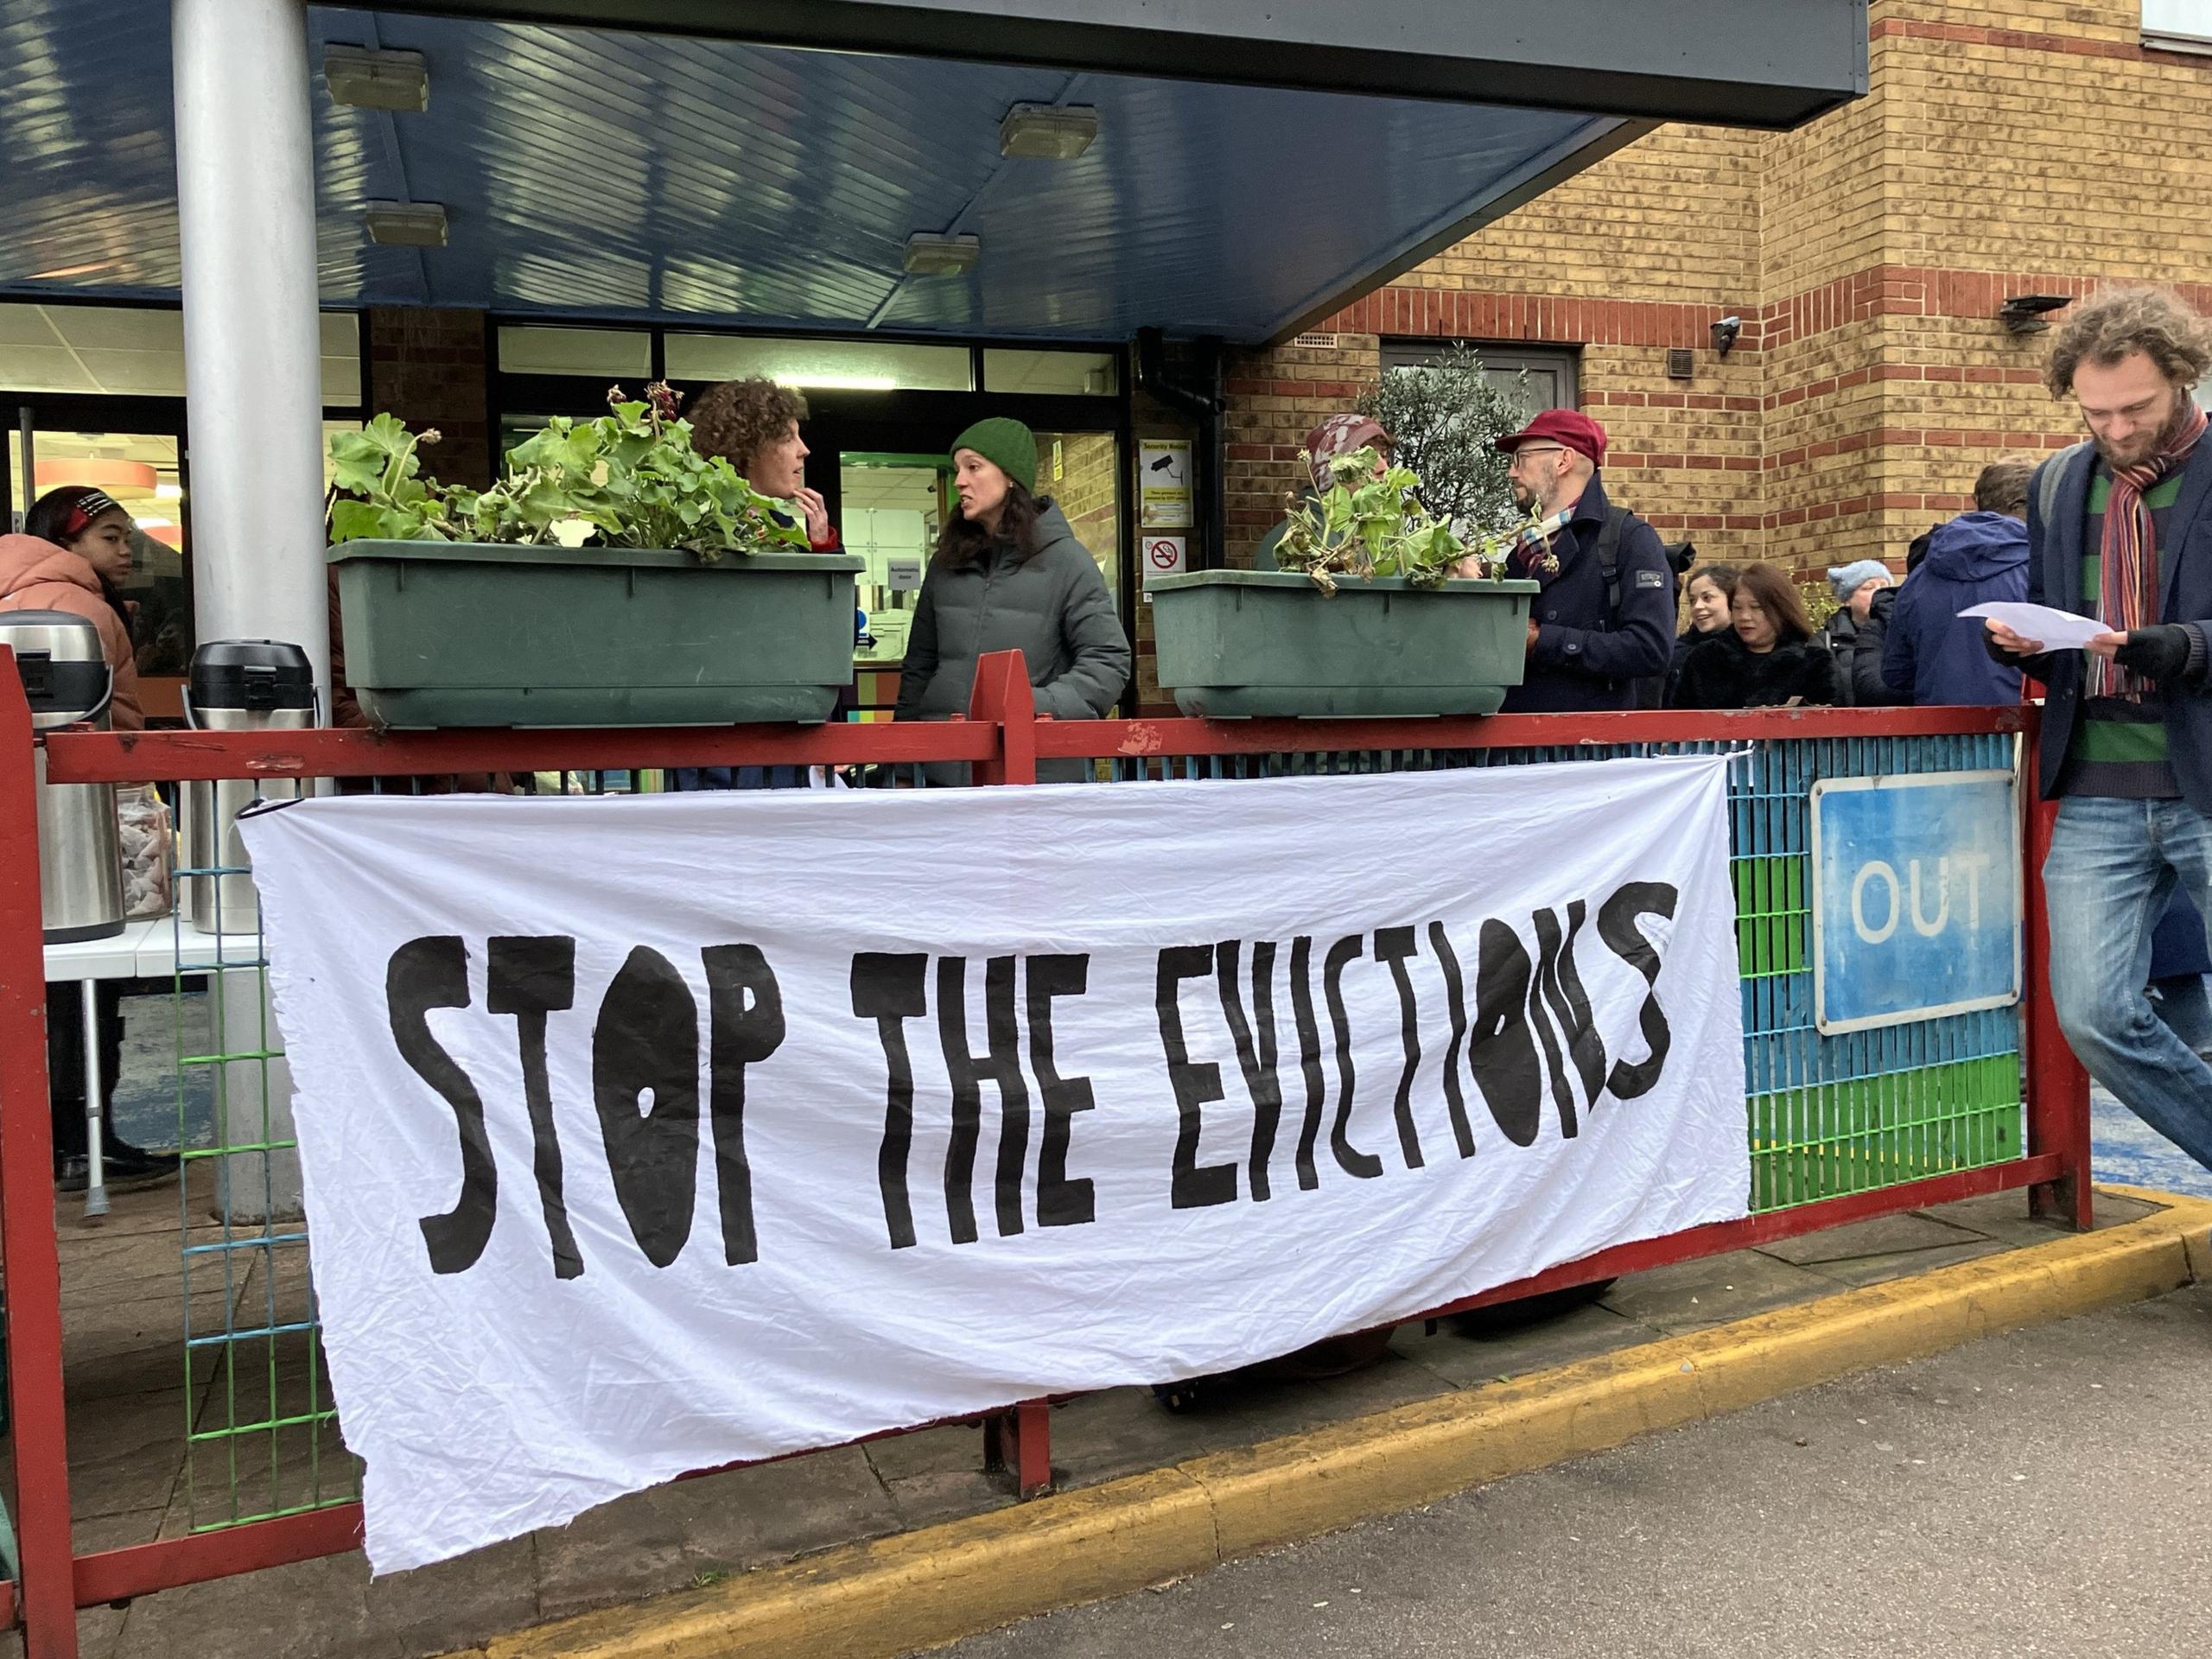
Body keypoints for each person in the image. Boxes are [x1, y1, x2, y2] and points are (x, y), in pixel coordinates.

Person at [1983, 285, 2212, 1173]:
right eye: (2095, 412)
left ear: (2184, 378)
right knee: (2089, 1015)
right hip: (2096, 787)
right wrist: (2029, 645)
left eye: (2136, 409)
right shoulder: (2054, 484)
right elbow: (2063, 629)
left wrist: (2178, 647)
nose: (2115, 430)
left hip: (2202, 778)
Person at [0, 486, 174, 1192]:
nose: (127, 549)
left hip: (30, 812)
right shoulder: (74, 603)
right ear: (66, 542)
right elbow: (88, 723)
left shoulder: (20, 590)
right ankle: (80, 1139)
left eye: (129, 534)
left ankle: (51, 1137)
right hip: (76, 811)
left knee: (45, 975)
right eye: (109, 535)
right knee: (89, 976)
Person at [894, 418, 1130, 784]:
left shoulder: (1067, 562)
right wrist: (904, 764)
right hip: (942, 776)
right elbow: (919, 668)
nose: (959, 481)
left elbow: (1109, 661)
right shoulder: (946, 564)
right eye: (957, 469)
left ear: (1010, 478)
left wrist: (1035, 705)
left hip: (1035, 775)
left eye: (973, 467)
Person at [681, 378, 845, 790]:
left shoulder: (786, 529)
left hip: (781, 741)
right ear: (751, 447)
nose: (803, 449)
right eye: (788, 437)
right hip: (721, 746)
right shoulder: (695, 530)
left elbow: (826, 642)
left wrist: (822, 549)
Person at [1489, 410, 1674, 713]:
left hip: (1591, 752)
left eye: (1521, 459)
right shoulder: (1521, 552)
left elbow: (1651, 649)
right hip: (1516, 748)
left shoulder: (1630, 540)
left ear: (1563, 460)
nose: (1512, 472)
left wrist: (1542, 641)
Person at [1881, 457, 2032, 706]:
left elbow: (1896, 674)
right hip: (2020, 729)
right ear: (2024, 504)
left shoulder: (1919, 577)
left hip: (1941, 733)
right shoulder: (2040, 570)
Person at [1674, 561, 1840, 709]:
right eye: (1737, 608)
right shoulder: (1705, 659)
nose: (1744, 617)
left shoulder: (1813, 661)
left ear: (1780, 609)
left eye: (1756, 607)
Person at [1253, 416, 1394, 572]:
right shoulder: (1292, 543)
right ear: (1334, 469)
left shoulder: (1385, 537)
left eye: (1384, 456)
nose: (1384, 467)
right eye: (1368, 458)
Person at [1820, 558, 1907, 707]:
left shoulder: (1901, 632)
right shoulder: (1826, 640)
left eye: (1884, 586)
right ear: (1847, 599)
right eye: (1868, 588)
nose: (1878, 592)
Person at [1667, 563, 1738, 704]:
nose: (1697, 607)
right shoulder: (1677, 655)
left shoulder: (1750, 650)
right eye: (1693, 600)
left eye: (1707, 598)